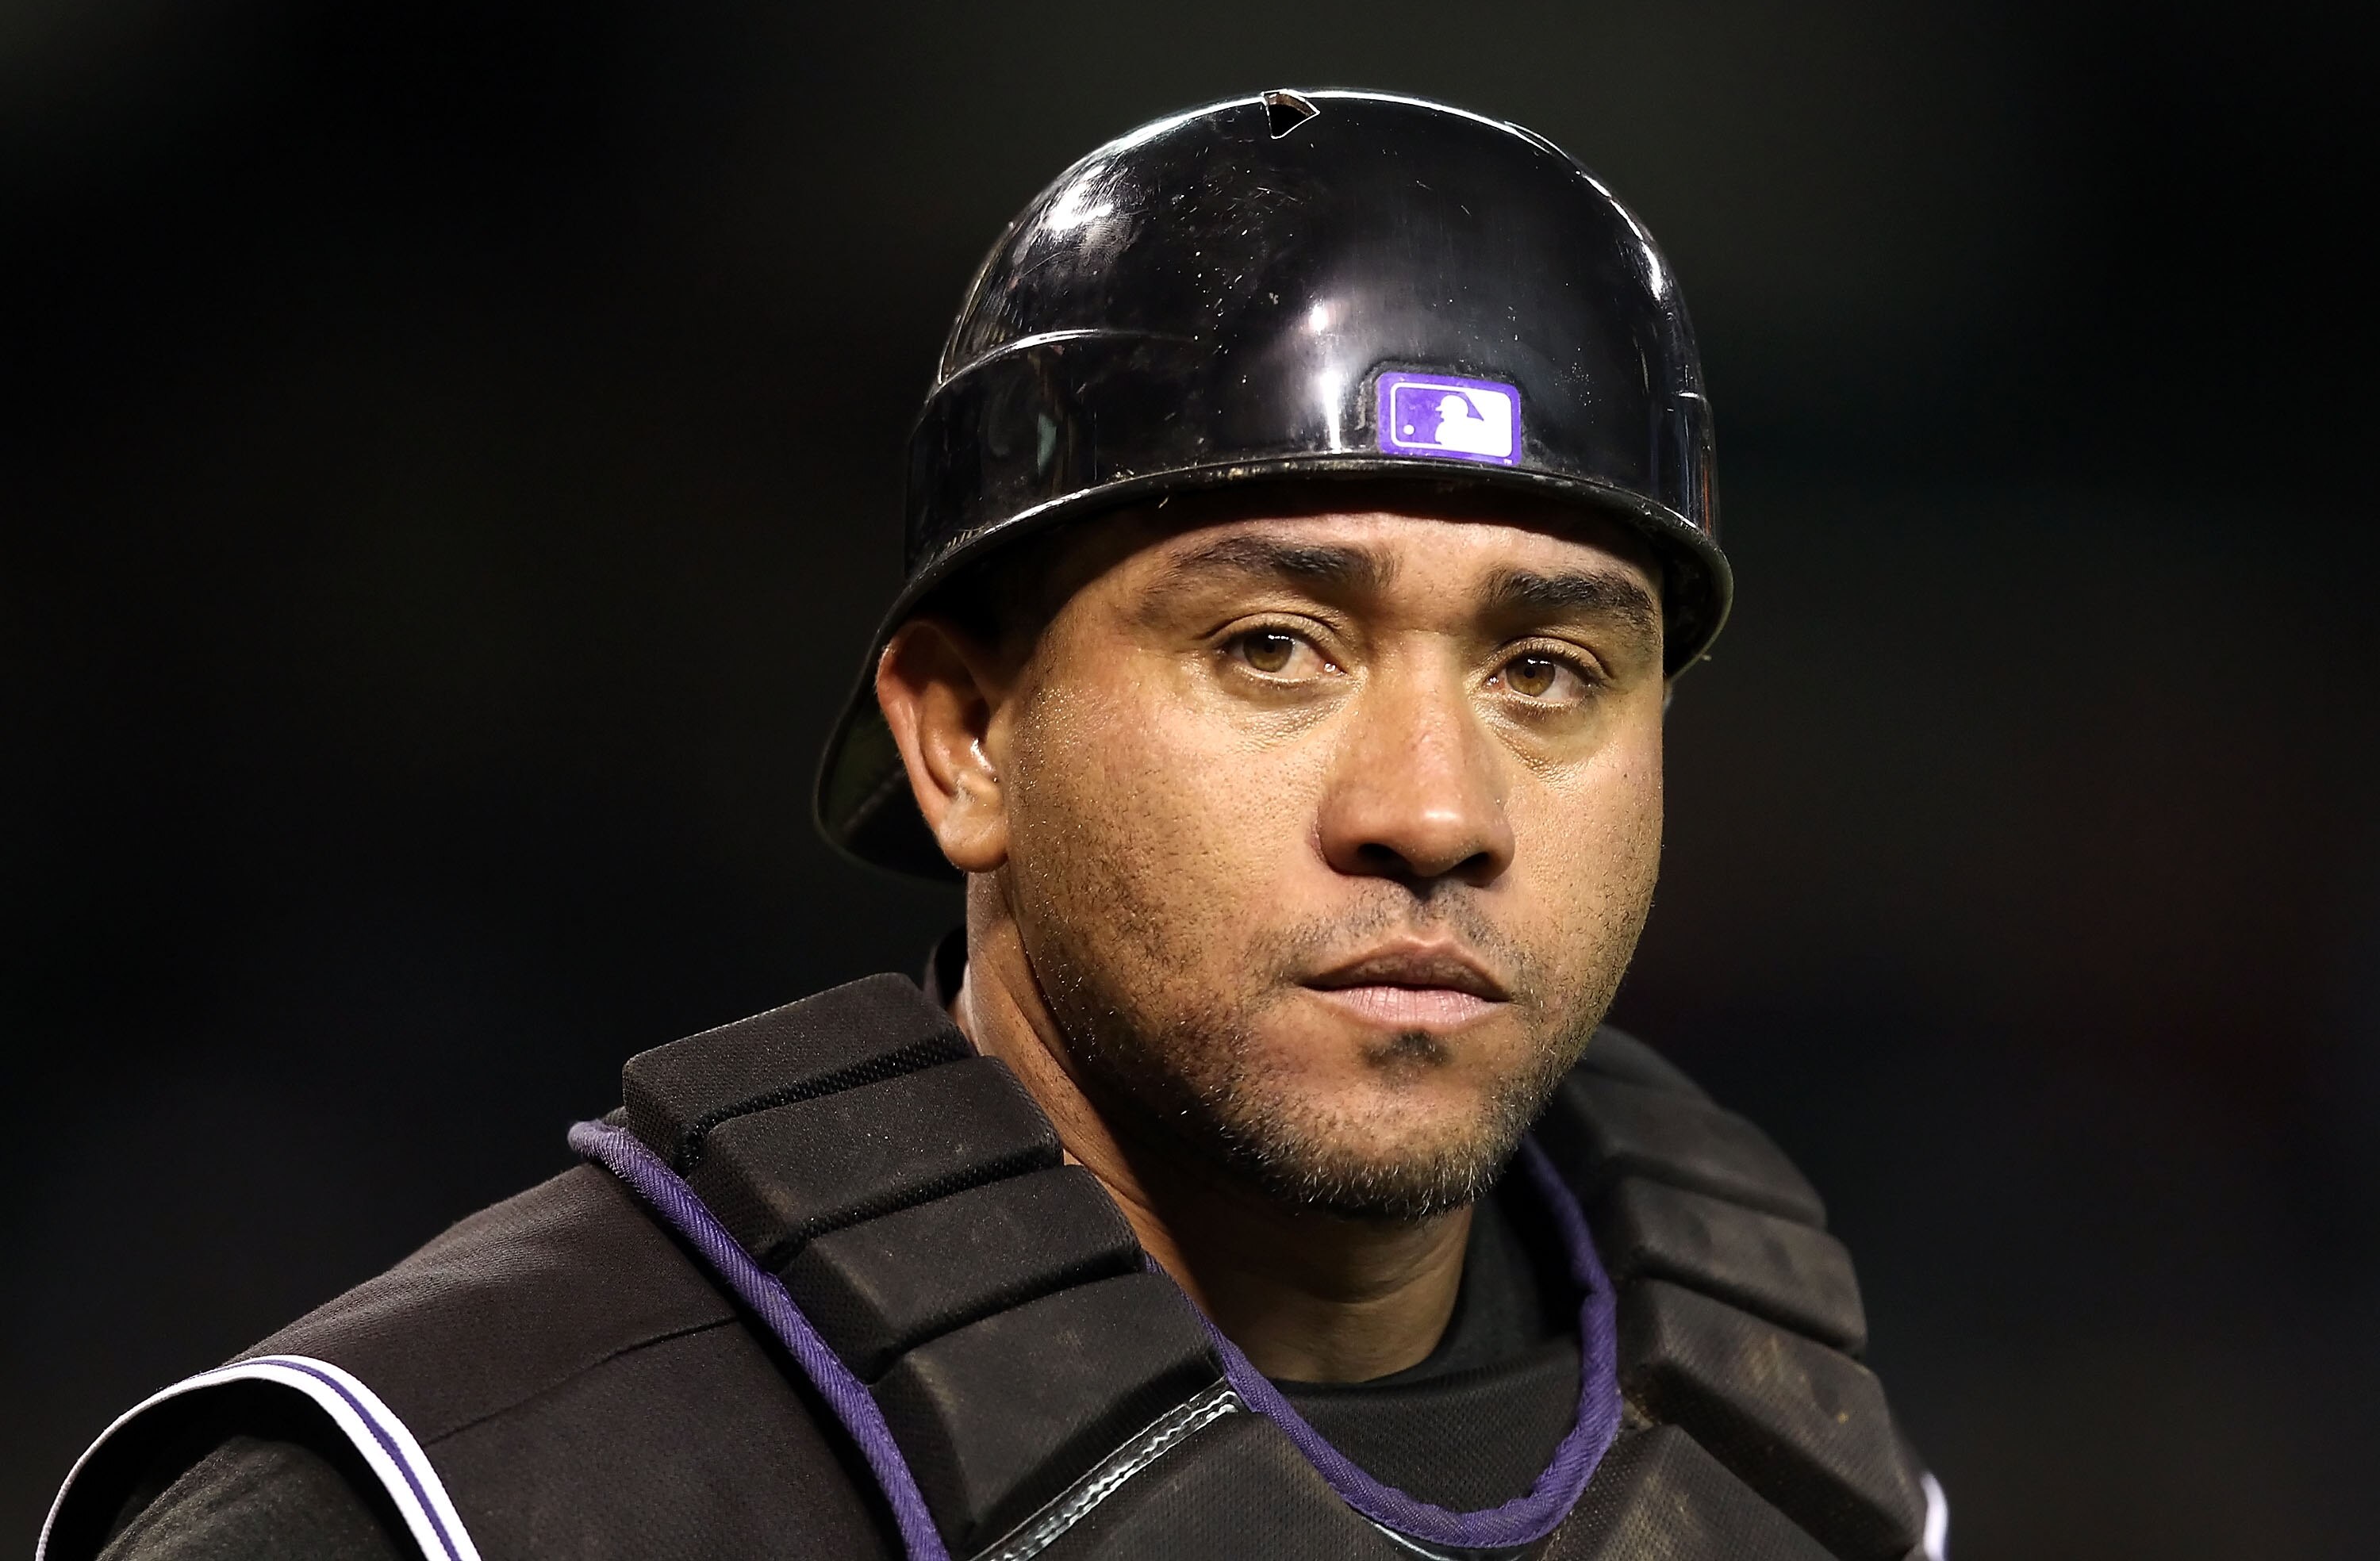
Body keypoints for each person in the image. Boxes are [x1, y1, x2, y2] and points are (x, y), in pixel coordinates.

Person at [42, 90, 1946, 1561]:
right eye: (1277, 647)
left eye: (1546, 671)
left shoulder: (1803, 1472)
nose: (1433, 812)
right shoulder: (465, 1495)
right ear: (961, 740)